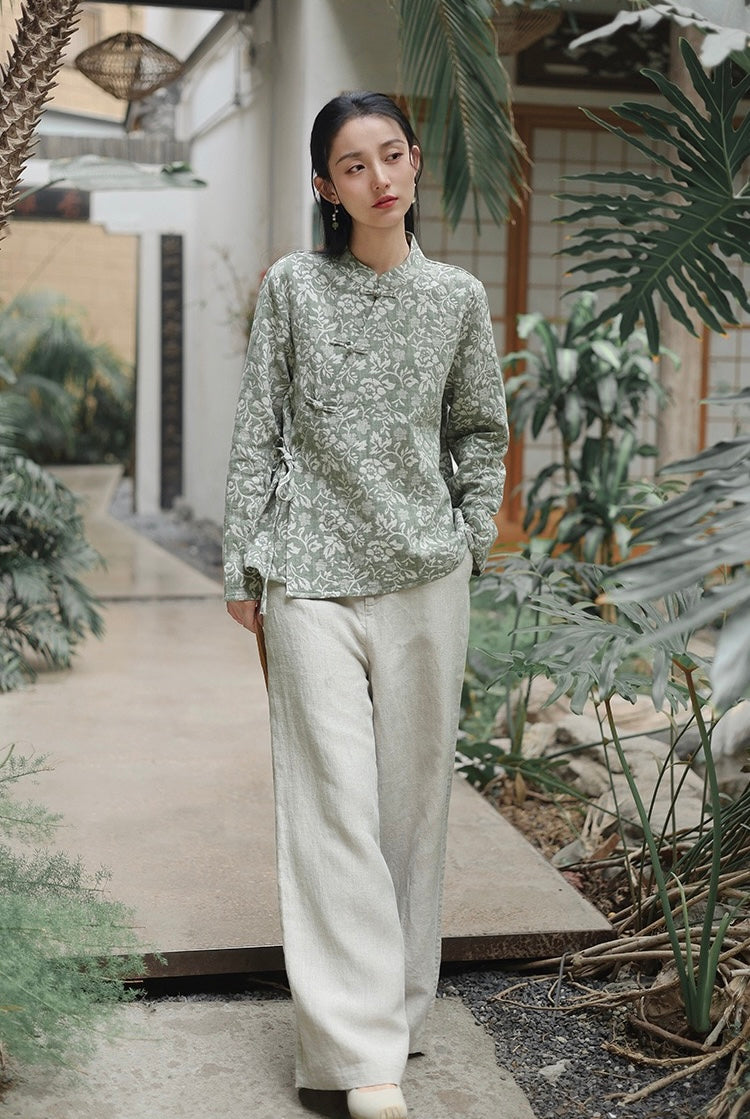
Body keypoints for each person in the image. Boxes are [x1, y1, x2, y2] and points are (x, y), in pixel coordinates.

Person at [224, 91, 508, 1119]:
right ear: (326, 187)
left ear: (415, 162)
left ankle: (397, 1010)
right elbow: (258, 427)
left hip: (426, 576)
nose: (380, 178)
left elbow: (480, 430)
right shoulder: (294, 287)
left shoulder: (457, 298)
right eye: (354, 165)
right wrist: (241, 565)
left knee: (412, 806)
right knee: (331, 804)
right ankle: (358, 1058)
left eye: (392, 155)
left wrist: (471, 535)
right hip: (308, 575)